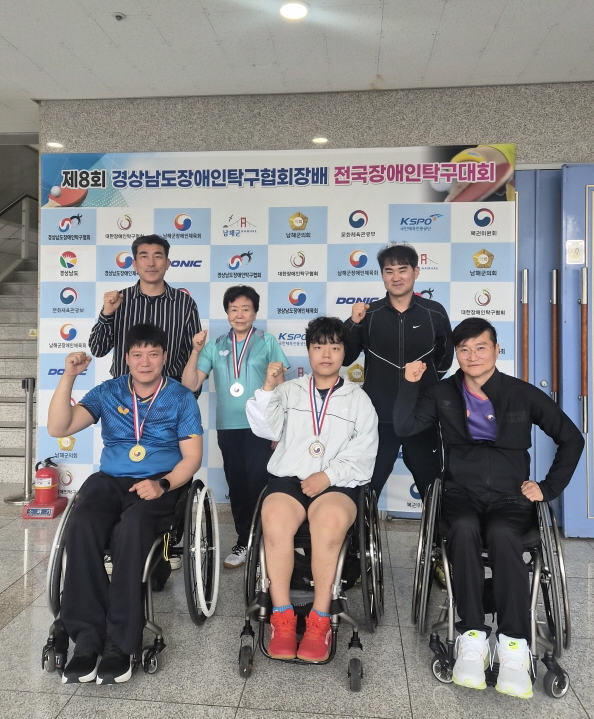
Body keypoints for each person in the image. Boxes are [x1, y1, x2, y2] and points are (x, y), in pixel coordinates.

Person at [394, 317, 584, 699]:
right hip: (460, 493)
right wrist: (409, 384)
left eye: (481, 347)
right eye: (464, 349)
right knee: (463, 530)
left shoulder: (521, 393)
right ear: (456, 354)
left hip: (510, 497)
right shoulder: (443, 393)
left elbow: (572, 438)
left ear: (497, 350)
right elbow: (404, 427)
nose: (472, 355)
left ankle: (514, 644)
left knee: (502, 533)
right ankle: (472, 637)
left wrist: (547, 488)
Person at [47, 323, 203, 685]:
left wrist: (163, 484)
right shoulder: (108, 391)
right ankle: (87, 639)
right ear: (127, 359)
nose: (145, 362)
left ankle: (121, 641)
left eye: (153, 354)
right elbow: (59, 427)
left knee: (131, 529)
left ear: (164, 357)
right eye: (137, 355)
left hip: (158, 482)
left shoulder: (181, 397)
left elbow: (192, 458)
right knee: (81, 522)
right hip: (110, 480)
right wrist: (69, 376)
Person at [245, 316, 378, 662]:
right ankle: (282, 616)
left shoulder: (358, 399)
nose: (326, 354)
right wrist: (269, 387)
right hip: (290, 479)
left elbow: (364, 452)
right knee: (274, 521)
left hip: (336, 483)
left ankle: (320, 618)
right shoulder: (289, 390)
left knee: (330, 525)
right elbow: (264, 428)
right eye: (319, 346)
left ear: (344, 353)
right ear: (308, 351)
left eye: (335, 347)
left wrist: (328, 476)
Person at [181, 285, 290, 568]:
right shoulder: (215, 346)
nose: (239, 314)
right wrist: (195, 351)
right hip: (229, 427)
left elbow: (281, 387)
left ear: (255, 312)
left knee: (261, 484)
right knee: (238, 486)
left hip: (262, 426)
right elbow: (190, 384)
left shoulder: (268, 342)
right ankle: (244, 542)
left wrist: (281, 427)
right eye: (233, 309)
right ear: (227, 312)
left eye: (245, 309)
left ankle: (268, 543)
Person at [343, 243, 453, 500]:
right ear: (382, 275)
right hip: (378, 416)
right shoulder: (370, 314)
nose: (396, 277)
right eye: (389, 271)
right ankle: (360, 528)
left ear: (416, 272)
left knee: (433, 490)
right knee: (366, 489)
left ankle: (437, 530)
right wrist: (353, 324)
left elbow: (445, 359)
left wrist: (424, 386)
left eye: (403, 270)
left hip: (422, 416)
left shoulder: (434, 312)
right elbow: (346, 358)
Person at [89, 234, 201, 382]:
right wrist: (107, 314)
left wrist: (187, 393)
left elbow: (195, 356)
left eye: (158, 256)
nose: (151, 263)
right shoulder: (118, 300)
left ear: (167, 263)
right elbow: (98, 349)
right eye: (144, 257)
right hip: (124, 389)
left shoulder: (184, 303)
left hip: (169, 389)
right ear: (134, 264)